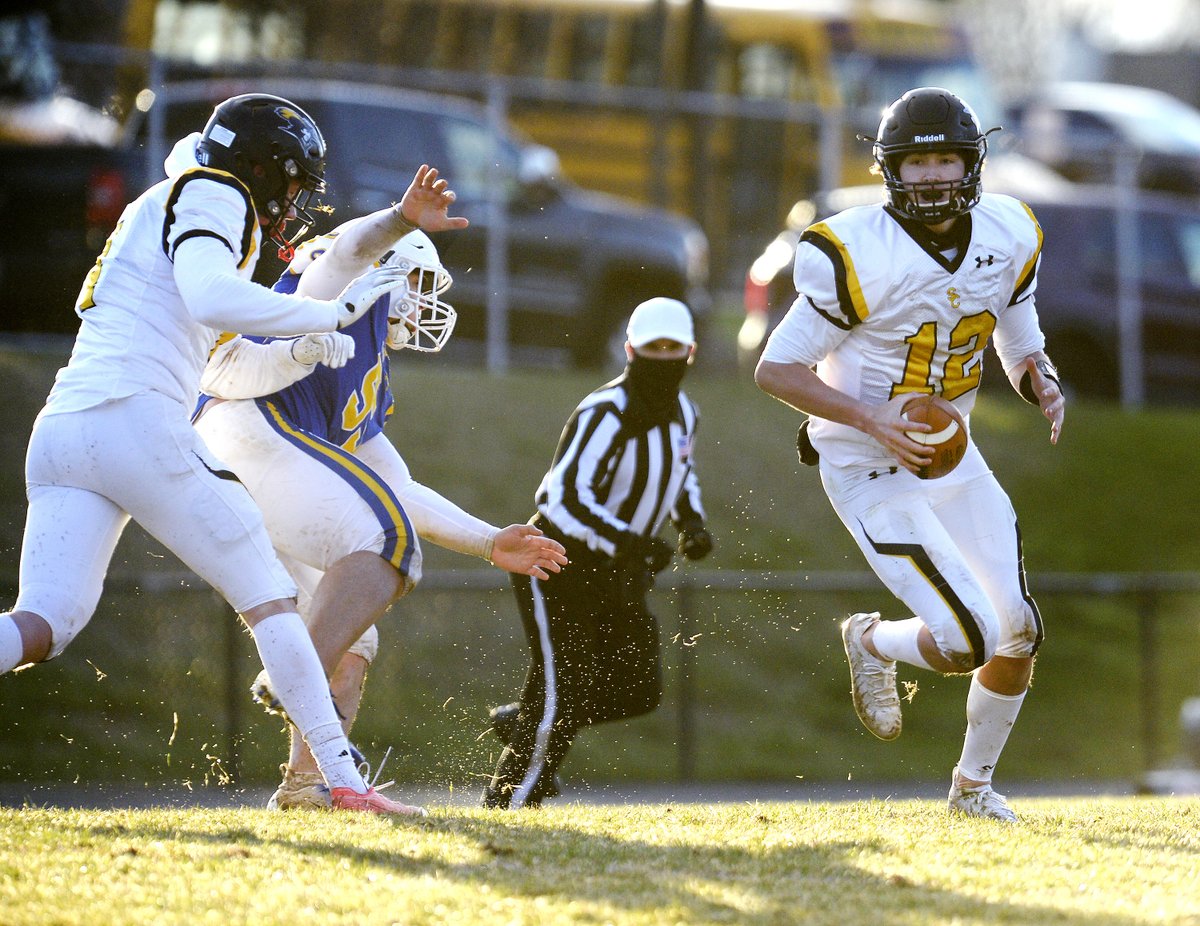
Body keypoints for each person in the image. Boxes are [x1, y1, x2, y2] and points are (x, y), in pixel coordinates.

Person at [0, 93, 426, 815]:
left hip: (68, 428)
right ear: (259, 168)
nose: (295, 204)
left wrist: (299, 349)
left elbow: (222, 368)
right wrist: (330, 312)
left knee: (44, 623)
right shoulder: (214, 191)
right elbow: (210, 297)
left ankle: (331, 780)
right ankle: (339, 784)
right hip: (135, 420)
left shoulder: (167, 206)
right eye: (292, 186)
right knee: (274, 600)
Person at [193, 189, 569, 809]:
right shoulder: (328, 289)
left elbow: (398, 487)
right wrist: (398, 221)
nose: (426, 299)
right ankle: (293, 680)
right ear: (385, 269)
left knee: (353, 630)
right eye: (417, 279)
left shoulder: (366, 365)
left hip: (272, 460)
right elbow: (344, 250)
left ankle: (310, 782)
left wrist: (487, 541)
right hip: (244, 434)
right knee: (381, 544)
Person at [755, 87, 1066, 822]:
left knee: (1018, 628)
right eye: (917, 161)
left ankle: (971, 790)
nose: (932, 175)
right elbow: (776, 369)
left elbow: (1015, 325)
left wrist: (1040, 378)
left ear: (973, 163)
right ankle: (872, 638)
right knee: (967, 638)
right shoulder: (857, 251)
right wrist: (869, 417)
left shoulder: (1009, 231)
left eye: (946, 159)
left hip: (950, 457)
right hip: (867, 465)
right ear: (891, 169)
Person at [483, 297, 714, 810]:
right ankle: (509, 804)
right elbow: (560, 497)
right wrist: (626, 542)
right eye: (653, 347)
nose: (663, 357)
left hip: (618, 572)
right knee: (560, 689)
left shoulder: (686, 415)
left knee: (638, 688)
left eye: (672, 348)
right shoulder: (604, 411)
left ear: (691, 353)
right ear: (630, 350)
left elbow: (678, 471)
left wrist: (690, 521)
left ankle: (525, 724)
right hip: (556, 561)